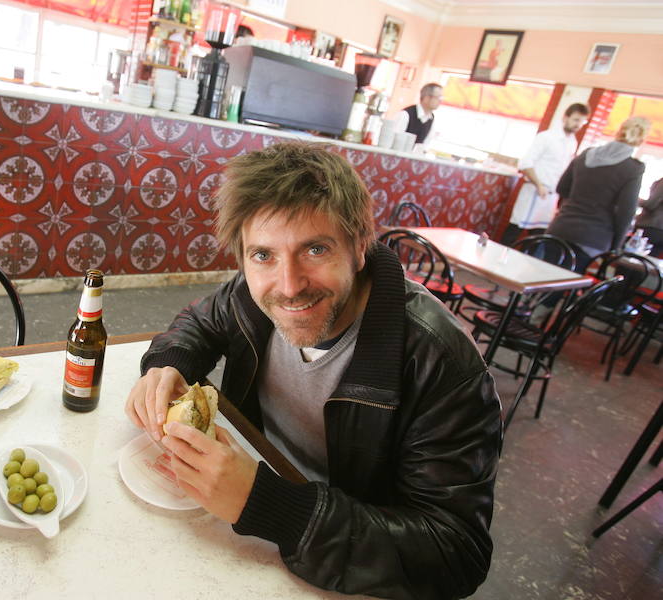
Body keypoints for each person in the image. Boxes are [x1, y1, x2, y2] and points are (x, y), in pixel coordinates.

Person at [124, 142, 502, 599]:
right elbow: (200, 323)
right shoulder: (251, 290)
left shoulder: (442, 363)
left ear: (360, 246)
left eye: (316, 249)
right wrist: (168, 364)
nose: (288, 285)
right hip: (241, 507)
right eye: (262, 255)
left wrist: (271, 506)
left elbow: (454, 553)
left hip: (330, 555)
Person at [545, 115, 651, 273]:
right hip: (593, 238)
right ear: (641, 139)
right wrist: (615, 247)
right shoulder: (633, 168)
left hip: (560, 227)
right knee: (562, 285)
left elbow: (562, 188)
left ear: (618, 132)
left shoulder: (585, 155)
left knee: (542, 278)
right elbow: (626, 212)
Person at [500, 103, 591, 246]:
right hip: (534, 191)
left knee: (538, 238)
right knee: (514, 230)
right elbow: (525, 163)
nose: (578, 125)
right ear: (565, 117)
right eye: (575, 120)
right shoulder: (546, 137)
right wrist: (539, 184)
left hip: (551, 196)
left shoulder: (572, 142)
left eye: (582, 122)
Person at [636, 177, 663, 257]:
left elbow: (651, 205)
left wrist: (634, 199)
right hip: (660, 232)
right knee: (649, 263)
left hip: (651, 227)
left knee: (632, 257)